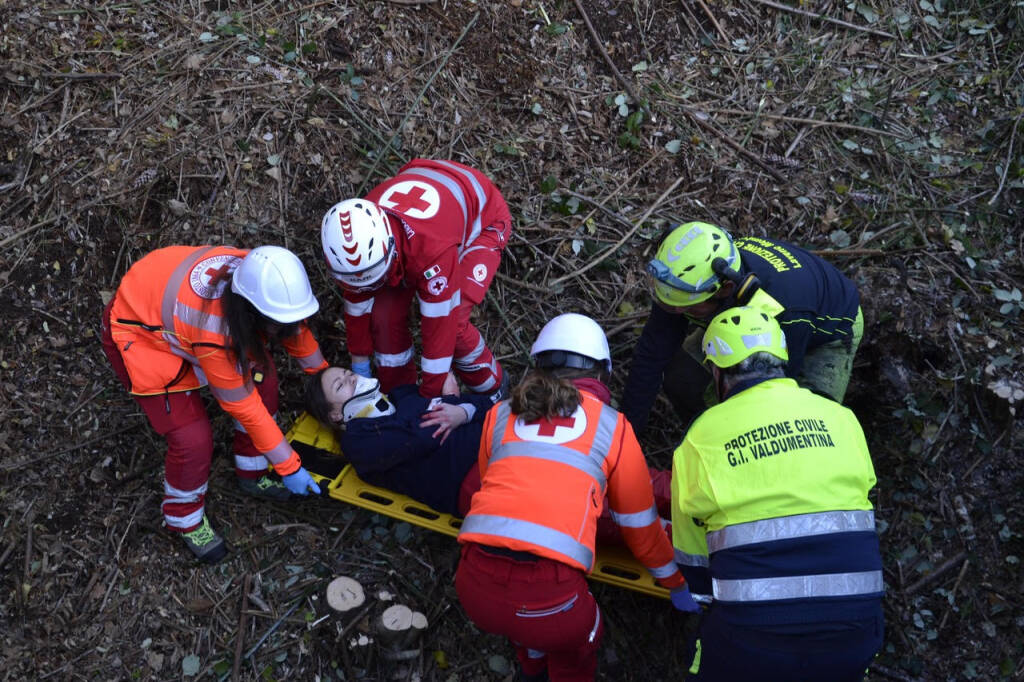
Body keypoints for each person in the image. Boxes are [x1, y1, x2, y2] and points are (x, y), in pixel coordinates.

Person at [455, 313, 699, 682]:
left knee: (527, 630)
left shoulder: (499, 415)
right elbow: (639, 528)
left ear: (536, 366)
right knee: (580, 640)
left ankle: (531, 663)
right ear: (603, 373)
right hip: (551, 599)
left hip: (472, 586)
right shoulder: (612, 427)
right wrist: (676, 584)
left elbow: (493, 488)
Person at [671, 305, 884, 681]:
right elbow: (862, 497)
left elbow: (692, 553)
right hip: (855, 627)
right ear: (782, 358)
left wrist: (700, 599)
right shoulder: (841, 418)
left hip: (754, 634)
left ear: (718, 372)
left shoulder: (702, 435)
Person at [101, 245, 328, 563]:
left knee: (266, 384)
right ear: (252, 314)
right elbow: (243, 406)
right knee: (192, 439)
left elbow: (293, 327)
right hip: (138, 332)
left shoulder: (265, 276)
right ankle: (184, 518)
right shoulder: (214, 331)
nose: (285, 329)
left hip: (166, 304)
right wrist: (289, 465)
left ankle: (252, 472)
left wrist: (324, 375)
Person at [623, 221, 863, 436]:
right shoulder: (687, 278)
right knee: (683, 377)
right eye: (671, 304)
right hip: (744, 313)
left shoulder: (785, 309)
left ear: (725, 288)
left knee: (802, 427)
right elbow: (652, 354)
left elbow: (774, 394)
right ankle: (706, 436)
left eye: (686, 307)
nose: (674, 312)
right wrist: (627, 436)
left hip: (826, 328)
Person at [320, 158, 512, 400]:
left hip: (483, 218)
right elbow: (357, 296)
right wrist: (360, 365)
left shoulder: (432, 252)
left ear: (390, 247)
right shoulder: (356, 230)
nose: (370, 287)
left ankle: (494, 386)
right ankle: (398, 393)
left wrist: (430, 398)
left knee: (458, 322)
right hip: (426, 187)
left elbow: (442, 328)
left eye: (375, 278)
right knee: (384, 316)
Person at [303, 368, 497, 516]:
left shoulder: (401, 396)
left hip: (497, 437)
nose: (351, 379)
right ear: (335, 414)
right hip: (476, 477)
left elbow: (488, 406)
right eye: (340, 385)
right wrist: (453, 402)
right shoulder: (357, 442)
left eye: (348, 373)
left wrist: (463, 413)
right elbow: (420, 438)